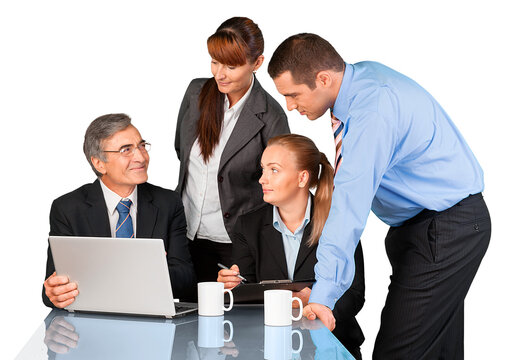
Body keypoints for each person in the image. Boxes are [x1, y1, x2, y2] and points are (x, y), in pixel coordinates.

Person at [267, 33, 491, 359]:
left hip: (446, 229)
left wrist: (323, 294)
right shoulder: (359, 81)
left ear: (323, 78)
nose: (289, 105)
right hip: (428, 227)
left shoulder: (372, 110)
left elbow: (348, 207)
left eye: (293, 94)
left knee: (396, 353)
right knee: (438, 352)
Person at [217, 134, 365, 359]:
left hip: (331, 344)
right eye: (263, 169)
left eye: (273, 170)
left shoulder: (338, 222)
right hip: (269, 347)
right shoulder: (247, 225)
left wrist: (315, 301)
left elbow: (354, 294)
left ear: (302, 178)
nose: (262, 179)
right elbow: (246, 297)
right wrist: (232, 286)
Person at [174, 17, 289, 284]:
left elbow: (278, 181)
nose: (219, 74)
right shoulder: (196, 92)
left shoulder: (271, 116)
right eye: (215, 61)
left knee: (228, 321)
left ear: (257, 63)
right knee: (183, 315)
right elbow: (182, 151)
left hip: (235, 243)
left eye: (231, 66)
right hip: (185, 235)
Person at [43, 113, 195, 308]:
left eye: (141, 146)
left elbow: (186, 281)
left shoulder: (168, 203)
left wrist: (140, 269)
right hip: (91, 322)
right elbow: (51, 289)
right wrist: (54, 292)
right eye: (126, 150)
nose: (140, 157)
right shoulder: (67, 209)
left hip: (152, 318)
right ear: (99, 163)